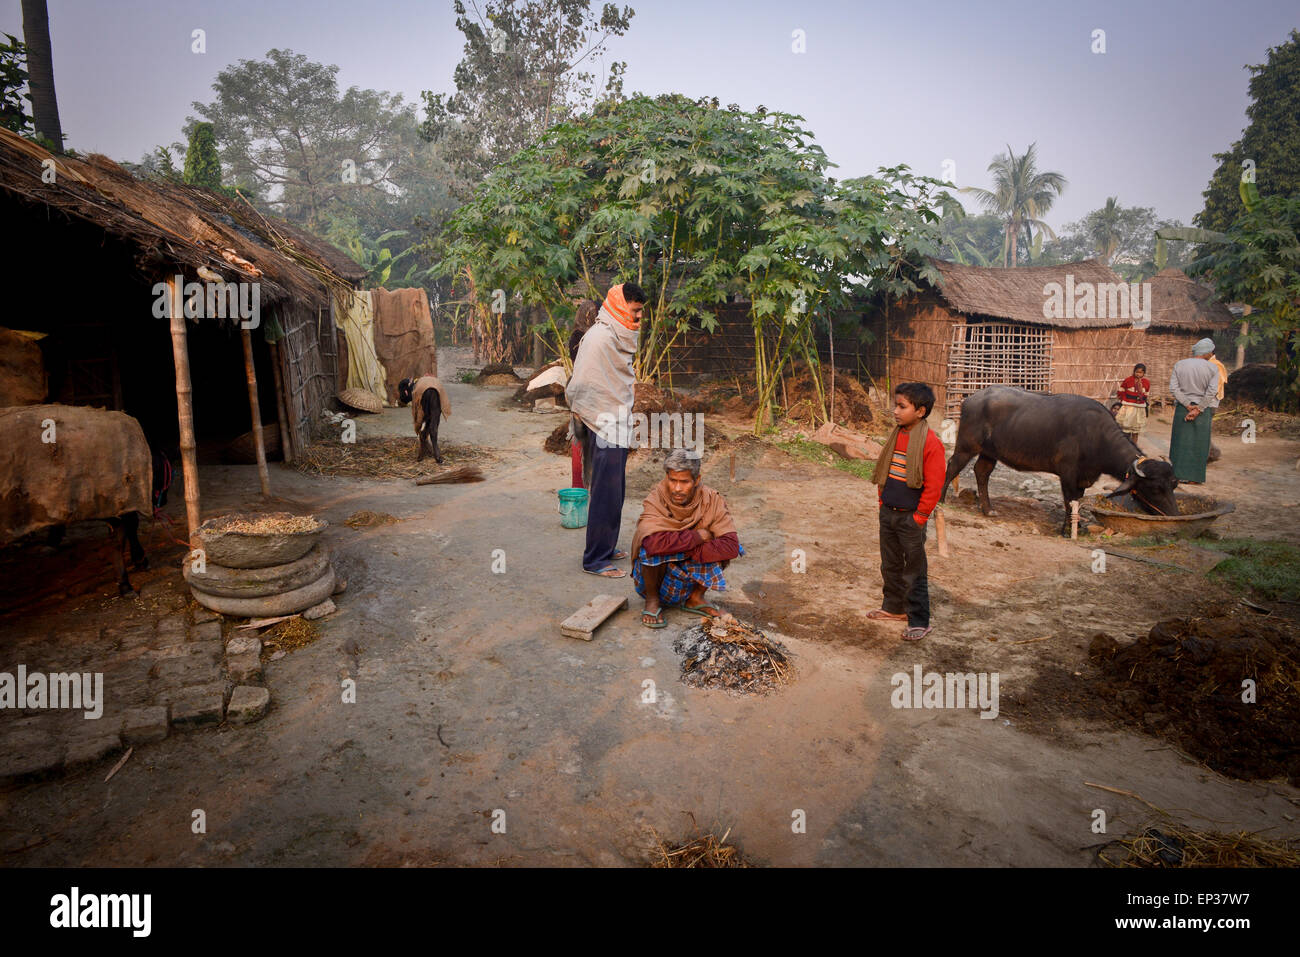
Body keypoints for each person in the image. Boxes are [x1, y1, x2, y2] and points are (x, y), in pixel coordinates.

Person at [564, 282, 647, 577]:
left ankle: (607, 546)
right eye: (634, 311)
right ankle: (595, 559)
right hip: (602, 421)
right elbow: (584, 383)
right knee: (605, 492)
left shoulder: (616, 335)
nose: (638, 318)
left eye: (640, 312)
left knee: (616, 491)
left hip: (616, 419)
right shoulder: (599, 338)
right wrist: (588, 416)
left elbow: (616, 380)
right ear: (618, 307)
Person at [867, 382, 947, 641]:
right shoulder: (896, 436)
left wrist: (920, 517)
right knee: (889, 564)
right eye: (896, 405)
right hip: (889, 512)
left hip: (911, 518)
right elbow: (886, 473)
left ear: (920, 411)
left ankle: (919, 621)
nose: (895, 411)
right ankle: (894, 608)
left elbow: (935, 486)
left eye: (902, 406)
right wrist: (882, 502)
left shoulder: (930, 443)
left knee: (913, 570)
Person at [630, 448, 742, 628]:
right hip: (657, 580)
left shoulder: (712, 500)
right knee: (648, 546)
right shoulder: (656, 498)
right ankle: (652, 601)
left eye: (684, 482)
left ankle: (695, 597)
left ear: (696, 480)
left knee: (725, 544)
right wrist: (699, 535)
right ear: (666, 477)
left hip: (688, 575)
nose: (677, 488)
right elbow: (652, 544)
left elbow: (731, 546)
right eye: (672, 480)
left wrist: (678, 547)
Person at [1169, 338, 1220, 484]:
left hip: (1182, 409)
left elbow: (1173, 388)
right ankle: (1195, 478)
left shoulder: (1180, 364)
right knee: (1200, 443)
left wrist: (1186, 404)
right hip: (1203, 411)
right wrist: (1199, 409)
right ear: (1206, 352)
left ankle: (1176, 475)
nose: (1211, 354)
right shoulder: (1212, 368)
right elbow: (1211, 391)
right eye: (1211, 351)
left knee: (1179, 442)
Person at [566, 300, 600, 489]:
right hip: (586, 391)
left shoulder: (577, 336)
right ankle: (580, 487)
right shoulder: (583, 338)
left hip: (581, 390)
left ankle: (582, 486)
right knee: (582, 441)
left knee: (583, 442)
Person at [1115, 363, 1150, 445]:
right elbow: (1121, 391)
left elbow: (1146, 394)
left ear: (1144, 373)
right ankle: (1125, 445)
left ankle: (1134, 446)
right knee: (1126, 429)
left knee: (1135, 430)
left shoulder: (1146, 382)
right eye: (1137, 372)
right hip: (1129, 407)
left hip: (1139, 408)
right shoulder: (1128, 380)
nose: (1138, 374)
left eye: (1141, 372)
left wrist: (1141, 399)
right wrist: (1125, 401)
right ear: (1134, 371)